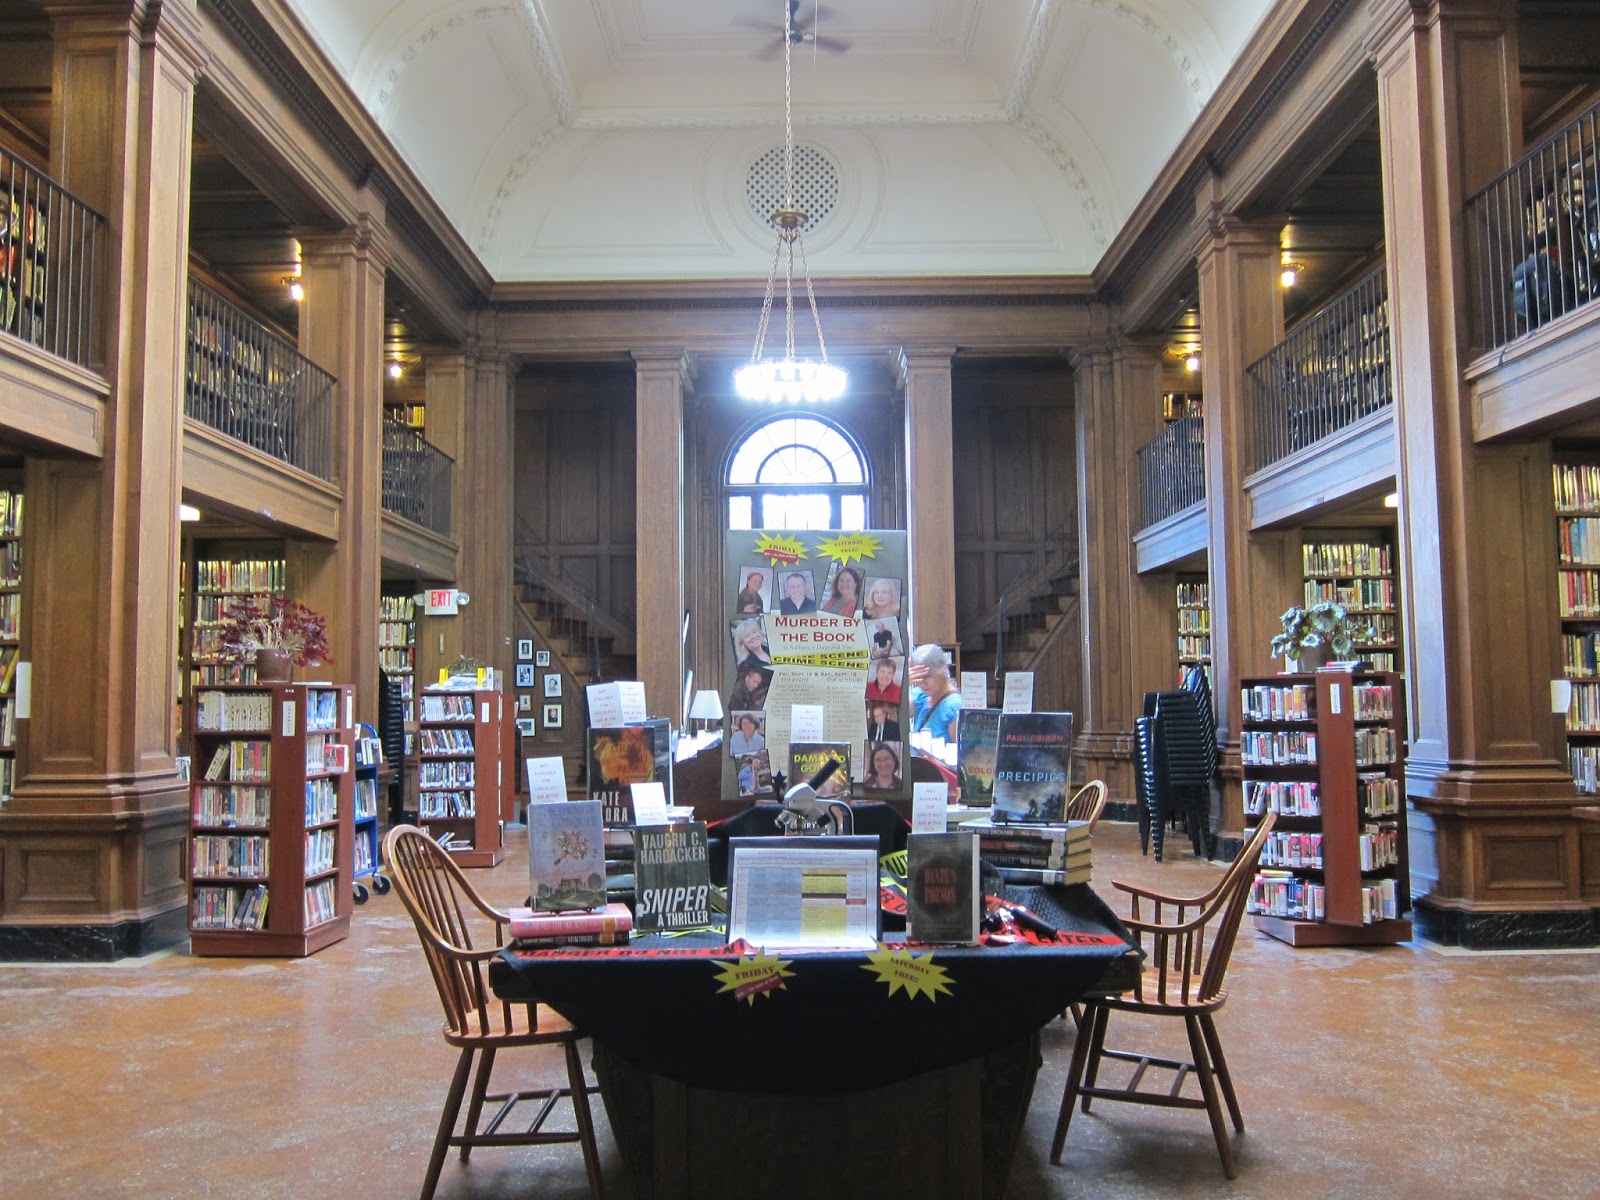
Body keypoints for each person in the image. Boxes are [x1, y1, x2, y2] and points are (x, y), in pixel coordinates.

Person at [908, 643, 962, 742]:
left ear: (943, 670)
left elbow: (960, 753)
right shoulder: (921, 695)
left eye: (927, 676)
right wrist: (902, 683)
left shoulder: (954, 706)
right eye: (918, 678)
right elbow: (896, 713)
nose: (922, 683)